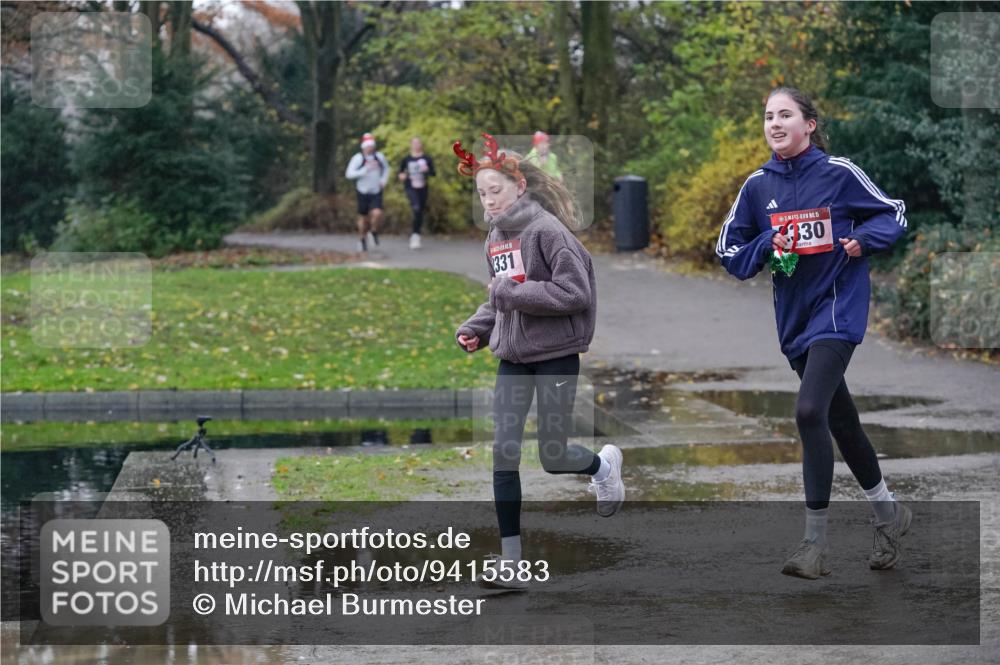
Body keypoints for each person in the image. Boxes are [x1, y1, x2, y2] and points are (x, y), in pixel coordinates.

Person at [715, 87, 911, 580]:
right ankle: (890, 515)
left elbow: (893, 213)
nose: (775, 124)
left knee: (808, 411)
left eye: (785, 115)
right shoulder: (757, 186)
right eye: (768, 117)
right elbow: (729, 252)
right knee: (841, 422)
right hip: (796, 322)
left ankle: (813, 545)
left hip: (838, 312)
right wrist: (765, 242)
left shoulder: (838, 173)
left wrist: (863, 241)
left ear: (809, 124)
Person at [454, 133, 625, 589]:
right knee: (503, 455)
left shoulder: (549, 233)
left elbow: (574, 294)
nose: (488, 201)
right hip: (512, 357)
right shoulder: (495, 237)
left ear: (519, 187)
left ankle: (603, 468)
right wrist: (476, 327)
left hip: (554, 357)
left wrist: (510, 294)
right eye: (482, 193)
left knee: (553, 457)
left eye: (496, 191)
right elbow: (499, 294)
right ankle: (511, 563)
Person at [345, 133, 390, 252]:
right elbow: (349, 174)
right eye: (368, 146)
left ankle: (373, 231)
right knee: (363, 218)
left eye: (371, 146)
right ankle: (362, 239)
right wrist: (363, 171)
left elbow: (386, 169)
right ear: (363, 147)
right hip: (363, 191)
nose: (370, 148)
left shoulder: (379, 157)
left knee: (377, 213)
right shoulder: (358, 158)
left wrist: (383, 180)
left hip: (376, 190)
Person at [397, 137, 436, 249]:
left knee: (419, 211)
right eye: (414, 143)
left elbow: (433, 173)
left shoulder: (427, 158)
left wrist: (426, 170)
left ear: (421, 145)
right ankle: (415, 235)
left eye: (418, 143)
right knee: (416, 208)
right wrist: (401, 176)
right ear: (411, 145)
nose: (416, 145)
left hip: (423, 188)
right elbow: (400, 172)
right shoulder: (406, 159)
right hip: (410, 187)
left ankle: (416, 234)